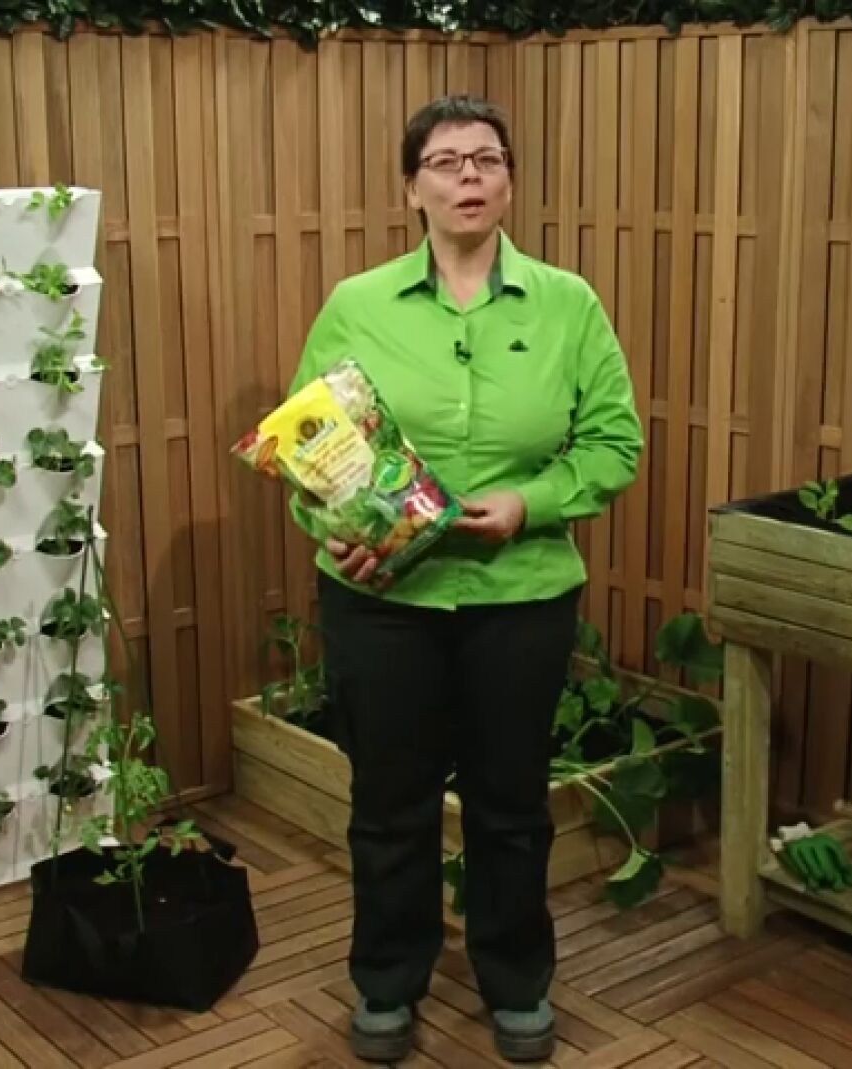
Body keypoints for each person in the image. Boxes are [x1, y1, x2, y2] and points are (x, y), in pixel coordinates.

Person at [281, 94, 643, 1063]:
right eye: (445, 162)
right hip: (382, 601)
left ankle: (516, 979)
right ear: (413, 187)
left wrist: (533, 502)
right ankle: (387, 982)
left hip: (519, 597)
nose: (468, 176)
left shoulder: (569, 304)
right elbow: (310, 450)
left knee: (511, 803)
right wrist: (336, 529)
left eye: (485, 159)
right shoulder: (356, 305)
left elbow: (615, 445)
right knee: (389, 802)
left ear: (510, 180)